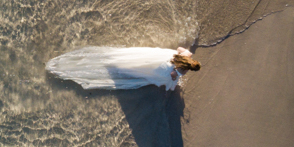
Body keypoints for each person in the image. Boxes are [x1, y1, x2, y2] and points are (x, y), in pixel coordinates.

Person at [46, 45, 201, 91]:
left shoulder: (187, 54)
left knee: (136, 60)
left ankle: (118, 64)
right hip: (157, 69)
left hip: (158, 58)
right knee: (137, 70)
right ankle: (119, 68)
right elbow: (173, 75)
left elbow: (179, 49)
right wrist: (175, 78)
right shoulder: (182, 70)